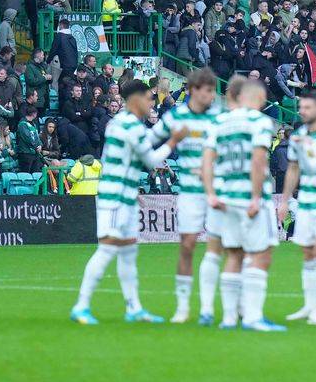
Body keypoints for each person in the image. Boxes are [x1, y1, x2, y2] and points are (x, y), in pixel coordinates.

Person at [70, 80, 187, 325]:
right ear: (136, 99)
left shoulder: (124, 123)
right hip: (115, 197)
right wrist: (174, 141)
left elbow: (147, 139)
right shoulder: (128, 126)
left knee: (128, 253)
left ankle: (133, 307)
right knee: (108, 249)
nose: (151, 103)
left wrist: (167, 128)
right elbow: (151, 157)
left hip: (125, 196)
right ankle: (81, 305)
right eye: (149, 98)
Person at [200, 78, 283, 332]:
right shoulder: (259, 121)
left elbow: (206, 160)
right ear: (258, 99)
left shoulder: (219, 122)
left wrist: (211, 193)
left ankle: (227, 318)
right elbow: (259, 161)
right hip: (249, 197)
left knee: (234, 254)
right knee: (261, 254)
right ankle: (252, 317)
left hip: (226, 197)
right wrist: (257, 197)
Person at [150, 67, 220, 325]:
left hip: (215, 191)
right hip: (190, 192)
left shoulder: (218, 119)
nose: (211, 96)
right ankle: (182, 307)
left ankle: (207, 308)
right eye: (207, 91)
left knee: (215, 248)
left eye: (213, 91)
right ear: (192, 91)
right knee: (187, 246)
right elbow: (150, 138)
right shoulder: (175, 116)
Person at [280, 90, 316, 325]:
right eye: (301, 107)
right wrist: (284, 200)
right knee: (307, 252)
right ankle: (310, 305)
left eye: (307, 107)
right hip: (306, 201)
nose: (302, 111)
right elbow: (293, 168)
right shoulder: (298, 136)